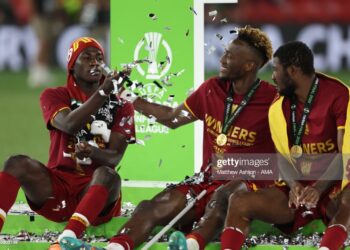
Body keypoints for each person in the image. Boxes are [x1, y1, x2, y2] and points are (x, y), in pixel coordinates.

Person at [60, 26, 278, 250]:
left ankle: (190, 246)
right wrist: (125, 93)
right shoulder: (212, 89)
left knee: (223, 197)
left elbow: (285, 156)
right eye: (224, 52)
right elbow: (171, 118)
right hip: (207, 180)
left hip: (246, 186)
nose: (221, 59)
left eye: (230, 56)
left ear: (249, 65)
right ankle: (113, 248)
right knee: (151, 206)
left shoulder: (273, 100)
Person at [0, 37, 135, 249]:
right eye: (87, 57)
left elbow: (115, 156)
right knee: (15, 163)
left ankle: (66, 240)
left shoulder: (121, 105)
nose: (95, 63)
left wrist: (92, 152)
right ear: (72, 66)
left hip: (95, 194)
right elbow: (69, 124)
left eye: (99, 58)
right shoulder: (54, 95)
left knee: (109, 175)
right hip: (58, 188)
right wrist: (103, 92)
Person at [220, 41, 350, 250]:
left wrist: (318, 188)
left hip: (333, 182)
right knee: (239, 201)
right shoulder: (278, 107)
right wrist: (294, 185)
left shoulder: (339, 95)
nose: (272, 76)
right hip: (298, 188)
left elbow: (345, 153)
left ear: (292, 70)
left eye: (275, 69)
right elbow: (281, 156)